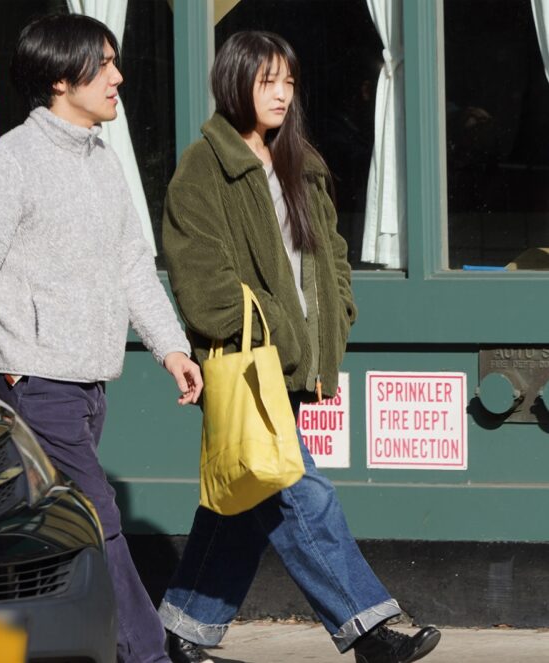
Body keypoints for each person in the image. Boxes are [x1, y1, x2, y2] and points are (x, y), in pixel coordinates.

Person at [0, 14, 202, 663]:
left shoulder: (104, 162)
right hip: (34, 383)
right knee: (98, 519)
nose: (118, 76)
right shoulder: (7, 165)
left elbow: (133, 265)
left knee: (37, 532)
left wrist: (171, 347)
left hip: (89, 388)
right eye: (103, 64)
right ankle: (148, 653)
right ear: (59, 77)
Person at [158, 31, 441, 663]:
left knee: (245, 499)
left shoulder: (301, 162)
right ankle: (369, 629)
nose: (282, 93)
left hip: (293, 362)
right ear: (235, 82)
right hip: (248, 364)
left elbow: (331, 253)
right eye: (268, 81)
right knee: (299, 491)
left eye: (288, 81)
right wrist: (280, 328)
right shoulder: (203, 168)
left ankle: (180, 630)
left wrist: (337, 311)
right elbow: (200, 284)